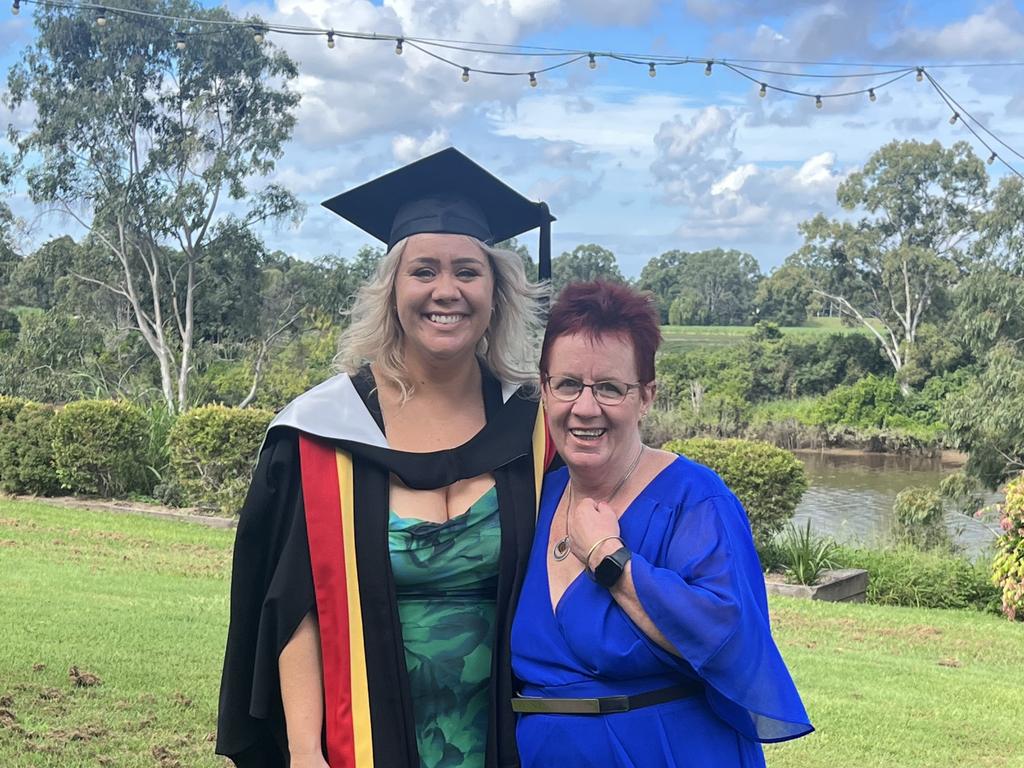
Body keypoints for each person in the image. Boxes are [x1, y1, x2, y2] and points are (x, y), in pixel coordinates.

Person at [216, 148, 558, 768]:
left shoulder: (536, 429)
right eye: (423, 271)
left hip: (510, 740)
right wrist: (304, 752)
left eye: (467, 271)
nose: (446, 291)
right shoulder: (323, 431)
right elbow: (295, 605)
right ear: (392, 290)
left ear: (496, 290)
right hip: (365, 739)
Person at [511, 280, 812, 767]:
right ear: (545, 390)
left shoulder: (694, 500)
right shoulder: (536, 497)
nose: (585, 408)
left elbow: (730, 640)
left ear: (647, 396)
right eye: (567, 384)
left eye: (610, 387)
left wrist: (611, 559)